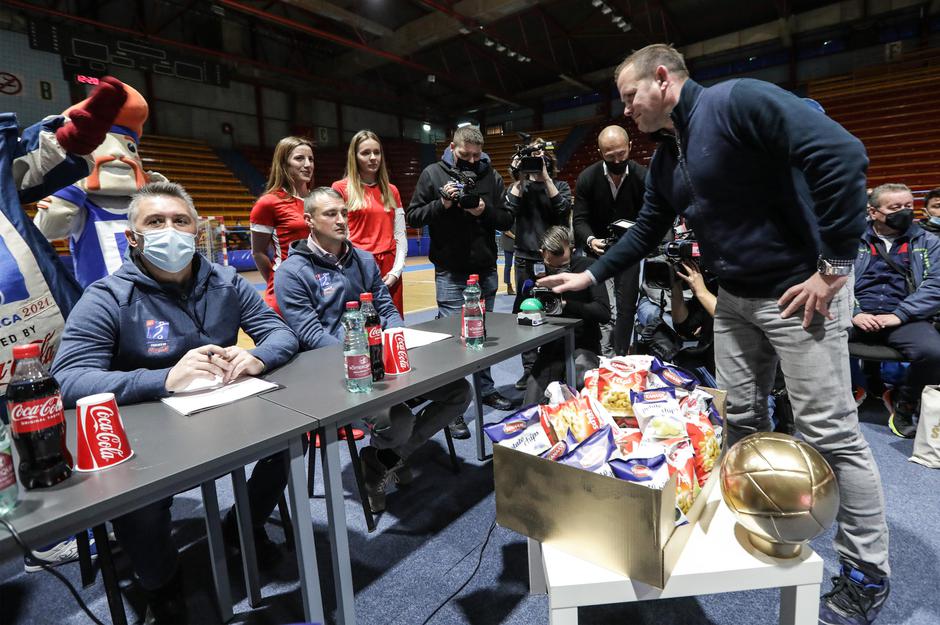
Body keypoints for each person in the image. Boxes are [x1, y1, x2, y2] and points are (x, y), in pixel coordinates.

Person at [539, 44, 891, 625]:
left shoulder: (738, 102)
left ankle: (865, 571)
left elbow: (843, 154)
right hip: (735, 299)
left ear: (661, 79)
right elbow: (649, 226)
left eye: (630, 96)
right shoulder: (667, 158)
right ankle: (755, 517)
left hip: (801, 292)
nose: (627, 110)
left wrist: (834, 267)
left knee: (830, 432)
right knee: (740, 418)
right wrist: (591, 271)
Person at [51, 181, 299, 624]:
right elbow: (69, 379)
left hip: (224, 412)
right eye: (156, 222)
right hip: (145, 434)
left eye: (180, 220)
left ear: (196, 229)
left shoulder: (225, 281)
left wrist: (256, 356)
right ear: (134, 238)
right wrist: (164, 378)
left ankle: (244, 525)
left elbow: (280, 332)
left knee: (289, 440)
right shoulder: (107, 296)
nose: (171, 230)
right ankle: (161, 583)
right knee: (136, 499)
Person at [274, 187, 471, 512]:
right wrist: (363, 358)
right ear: (308, 220)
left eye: (343, 213)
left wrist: (395, 339)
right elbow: (310, 335)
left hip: (383, 362)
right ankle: (389, 455)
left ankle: (383, 459)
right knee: (399, 421)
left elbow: (386, 307)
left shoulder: (363, 260)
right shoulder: (292, 273)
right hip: (336, 375)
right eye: (330, 214)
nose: (341, 220)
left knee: (459, 393)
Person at [2, 76, 128, 572]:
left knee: (54, 407)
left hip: (27, 310)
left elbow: (34, 165)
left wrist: (79, 131)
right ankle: (37, 534)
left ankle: (63, 517)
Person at [406, 125, 515, 437]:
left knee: (486, 334)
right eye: (464, 154)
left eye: (475, 155)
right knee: (454, 341)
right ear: (452, 147)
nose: (469, 160)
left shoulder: (491, 177)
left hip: (485, 268)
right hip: (450, 271)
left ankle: (485, 388)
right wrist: (444, 204)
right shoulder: (432, 174)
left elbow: (507, 219)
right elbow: (413, 216)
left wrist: (483, 210)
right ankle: (451, 404)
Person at [34, 83, 165, 288]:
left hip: (155, 296)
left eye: (129, 147)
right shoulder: (82, 205)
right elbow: (47, 232)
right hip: (104, 307)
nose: (118, 154)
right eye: (103, 143)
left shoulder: (145, 205)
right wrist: (68, 188)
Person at [851, 183, 940, 438]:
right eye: (895, 207)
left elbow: (936, 285)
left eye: (908, 206)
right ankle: (835, 398)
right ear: (874, 211)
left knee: (933, 352)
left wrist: (900, 314)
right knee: (808, 338)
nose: (904, 212)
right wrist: (854, 312)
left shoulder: (928, 241)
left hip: (903, 316)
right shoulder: (851, 238)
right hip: (857, 313)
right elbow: (835, 280)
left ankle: (904, 405)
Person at [572, 125, 648, 357]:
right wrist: (590, 239)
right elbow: (580, 219)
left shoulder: (643, 176)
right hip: (598, 251)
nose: (617, 160)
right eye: (610, 156)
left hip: (629, 251)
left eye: (622, 154)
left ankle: (621, 354)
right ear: (600, 153)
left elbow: (650, 217)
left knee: (626, 308)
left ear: (630, 147)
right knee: (602, 307)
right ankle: (600, 355)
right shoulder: (587, 177)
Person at [505, 138, 572, 389]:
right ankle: (530, 370)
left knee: (557, 309)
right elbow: (506, 212)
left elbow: (563, 210)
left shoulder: (560, 185)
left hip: (555, 261)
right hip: (526, 259)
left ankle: (555, 365)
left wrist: (546, 178)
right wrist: (519, 178)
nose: (536, 163)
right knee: (526, 311)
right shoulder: (519, 188)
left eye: (541, 158)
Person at [519, 226, 609, 405]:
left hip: (584, 344)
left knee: (583, 387)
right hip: (551, 348)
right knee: (531, 404)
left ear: (572, 250)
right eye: (553, 266)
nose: (559, 272)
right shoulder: (536, 272)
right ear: (542, 253)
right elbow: (519, 314)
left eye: (564, 266)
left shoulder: (587, 267)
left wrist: (566, 304)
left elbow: (603, 312)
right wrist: (531, 303)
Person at [332, 130, 407, 315]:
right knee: (362, 327)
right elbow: (339, 235)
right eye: (365, 153)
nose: (373, 158)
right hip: (357, 265)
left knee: (393, 325)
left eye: (377, 152)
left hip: (389, 266)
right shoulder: (340, 188)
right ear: (354, 156)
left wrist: (396, 271)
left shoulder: (392, 190)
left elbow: (400, 235)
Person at [250, 135, 314, 314]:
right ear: (284, 164)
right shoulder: (268, 202)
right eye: (299, 158)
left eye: (311, 159)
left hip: (318, 285)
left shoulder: (317, 200)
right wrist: (276, 279)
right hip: (287, 289)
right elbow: (258, 252)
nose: (307, 164)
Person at [500, 228, 515, 295]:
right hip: (508, 244)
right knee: (508, 265)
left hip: (517, 244)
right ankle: (509, 286)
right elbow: (506, 231)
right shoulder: (507, 218)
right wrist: (516, 237)